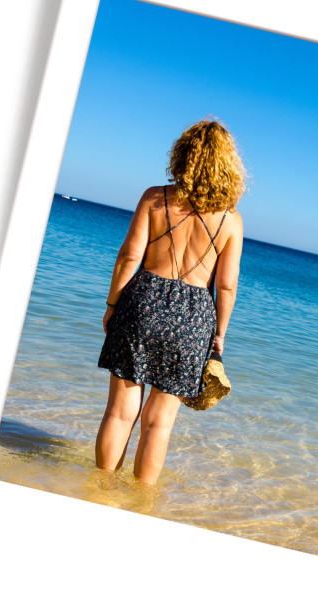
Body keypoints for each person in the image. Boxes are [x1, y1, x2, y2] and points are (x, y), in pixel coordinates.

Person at [95, 119, 246, 485]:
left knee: (119, 412)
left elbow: (130, 257)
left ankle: (97, 490)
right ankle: (140, 504)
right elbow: (225, 286)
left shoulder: (155, 197)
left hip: (142, 302)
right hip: (195, 318)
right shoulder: (231, 220)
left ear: (184, 156)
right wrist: (219, 334)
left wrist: (112, 304)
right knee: (159, 423)